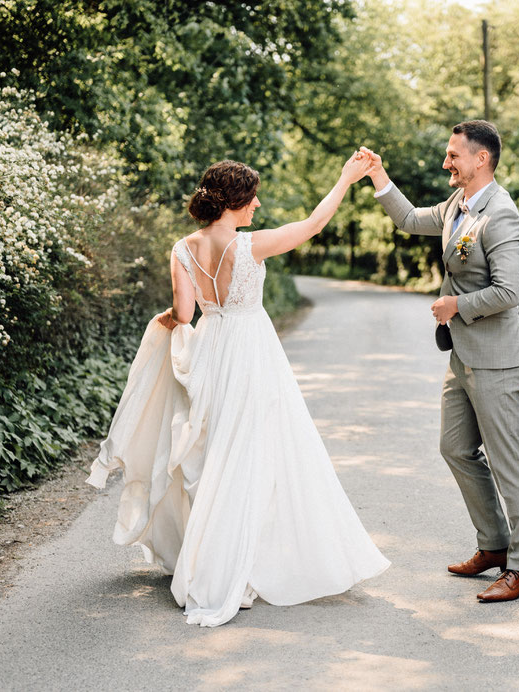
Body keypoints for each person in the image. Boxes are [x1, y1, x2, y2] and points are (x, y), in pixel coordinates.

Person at [86, 152, 389, 627]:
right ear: (233, 201)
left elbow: (184, 315)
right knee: (247, 457)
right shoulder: (250, 246)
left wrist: (160, 324)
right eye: (251, 198)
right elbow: (313, 223)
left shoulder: (183, 248)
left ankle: (216, 559)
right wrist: (348, 178)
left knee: (212, 456)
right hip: (250, 353)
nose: (257, 205)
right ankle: (236, 569)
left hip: (210, 351)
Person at [360, 120, 519, 602]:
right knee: (455, 448)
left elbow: (509, 291)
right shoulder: (458, 205)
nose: (446, 163)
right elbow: (411, 219)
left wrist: (455, 305)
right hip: (462, 356)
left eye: (453, 155)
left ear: (481, 158)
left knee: (508, 464)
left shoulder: (500, 214)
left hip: (497, 358)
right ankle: (495, 546)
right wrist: (378, 176)